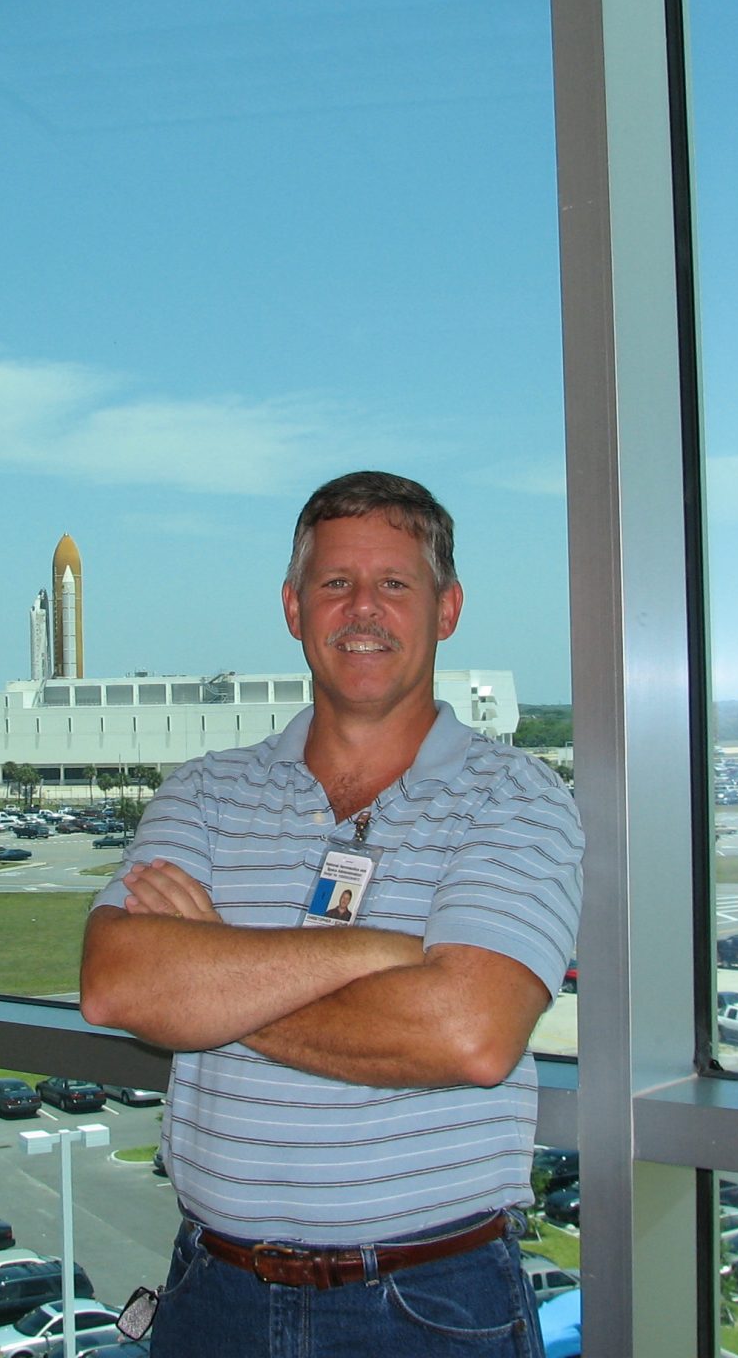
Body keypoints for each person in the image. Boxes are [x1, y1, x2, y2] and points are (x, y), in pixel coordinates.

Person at [80, 471, 583, 1358]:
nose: (363, 610)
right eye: (335, 584)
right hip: (213, 1297)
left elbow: (468, 1032)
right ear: (292, 607)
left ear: (447, 608)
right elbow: (118, 984)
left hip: (427, 1306)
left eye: (395, 584)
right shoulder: (206, 792)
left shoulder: (515, 797)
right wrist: (378, 956)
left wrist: (215, 973)